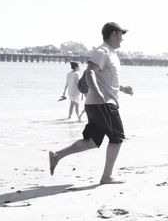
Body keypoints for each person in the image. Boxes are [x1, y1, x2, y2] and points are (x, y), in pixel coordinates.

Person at [49, 22, 134, 184]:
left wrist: (122, 88)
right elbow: (90, 73)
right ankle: (107, 176)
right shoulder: (102, 51)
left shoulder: (111, 53)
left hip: (98, 103)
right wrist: (97, 91)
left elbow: (105, 79)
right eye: (121, 34)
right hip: (103, 103)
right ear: (114, 34)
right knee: (117, 138)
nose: (122, 39)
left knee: (92, 141)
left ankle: (57, 155)